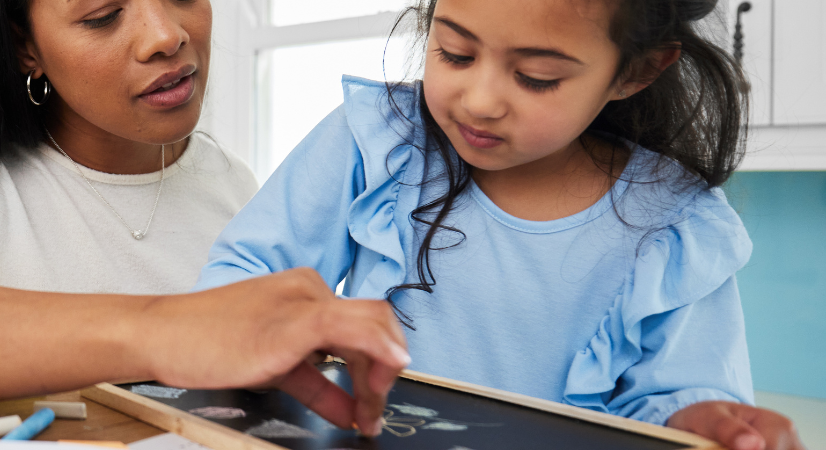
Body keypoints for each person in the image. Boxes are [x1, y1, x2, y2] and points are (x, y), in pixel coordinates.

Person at [0, 0, 410, 437]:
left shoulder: (232, 182)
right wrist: (161, 332)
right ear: (26, 47)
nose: (167, 34)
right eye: (104, 14)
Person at [194, 0, 803, 448]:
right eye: (455, 52)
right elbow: (240, 279)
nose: (480, 100)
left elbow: (675, 397)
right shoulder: (375, 138)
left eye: (537, 77)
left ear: (635, 72)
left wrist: (696, 420)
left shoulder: (674, 226)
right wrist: (286, 324)